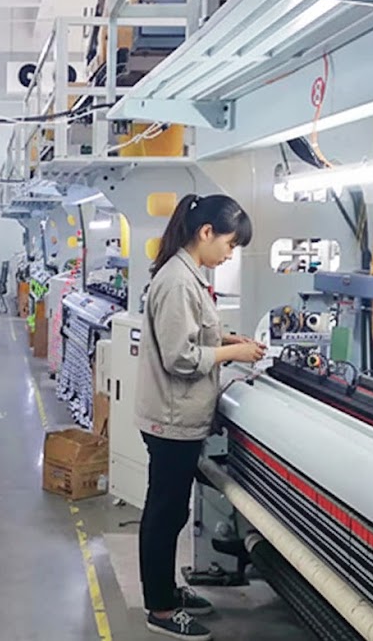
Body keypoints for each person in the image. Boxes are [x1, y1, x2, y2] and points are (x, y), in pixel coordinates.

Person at [135, 193, 265, 640]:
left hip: (179, 417)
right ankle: (162, 610)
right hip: (172, 419)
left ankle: (167, 590)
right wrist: (234, 352)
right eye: (229, 244)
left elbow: (192, 331)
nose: (229, 253)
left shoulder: (187, 275)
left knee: (170, 513)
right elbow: (179, 356)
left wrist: (227, 336)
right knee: (164, 513)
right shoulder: (177, 281)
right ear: (205, 233)